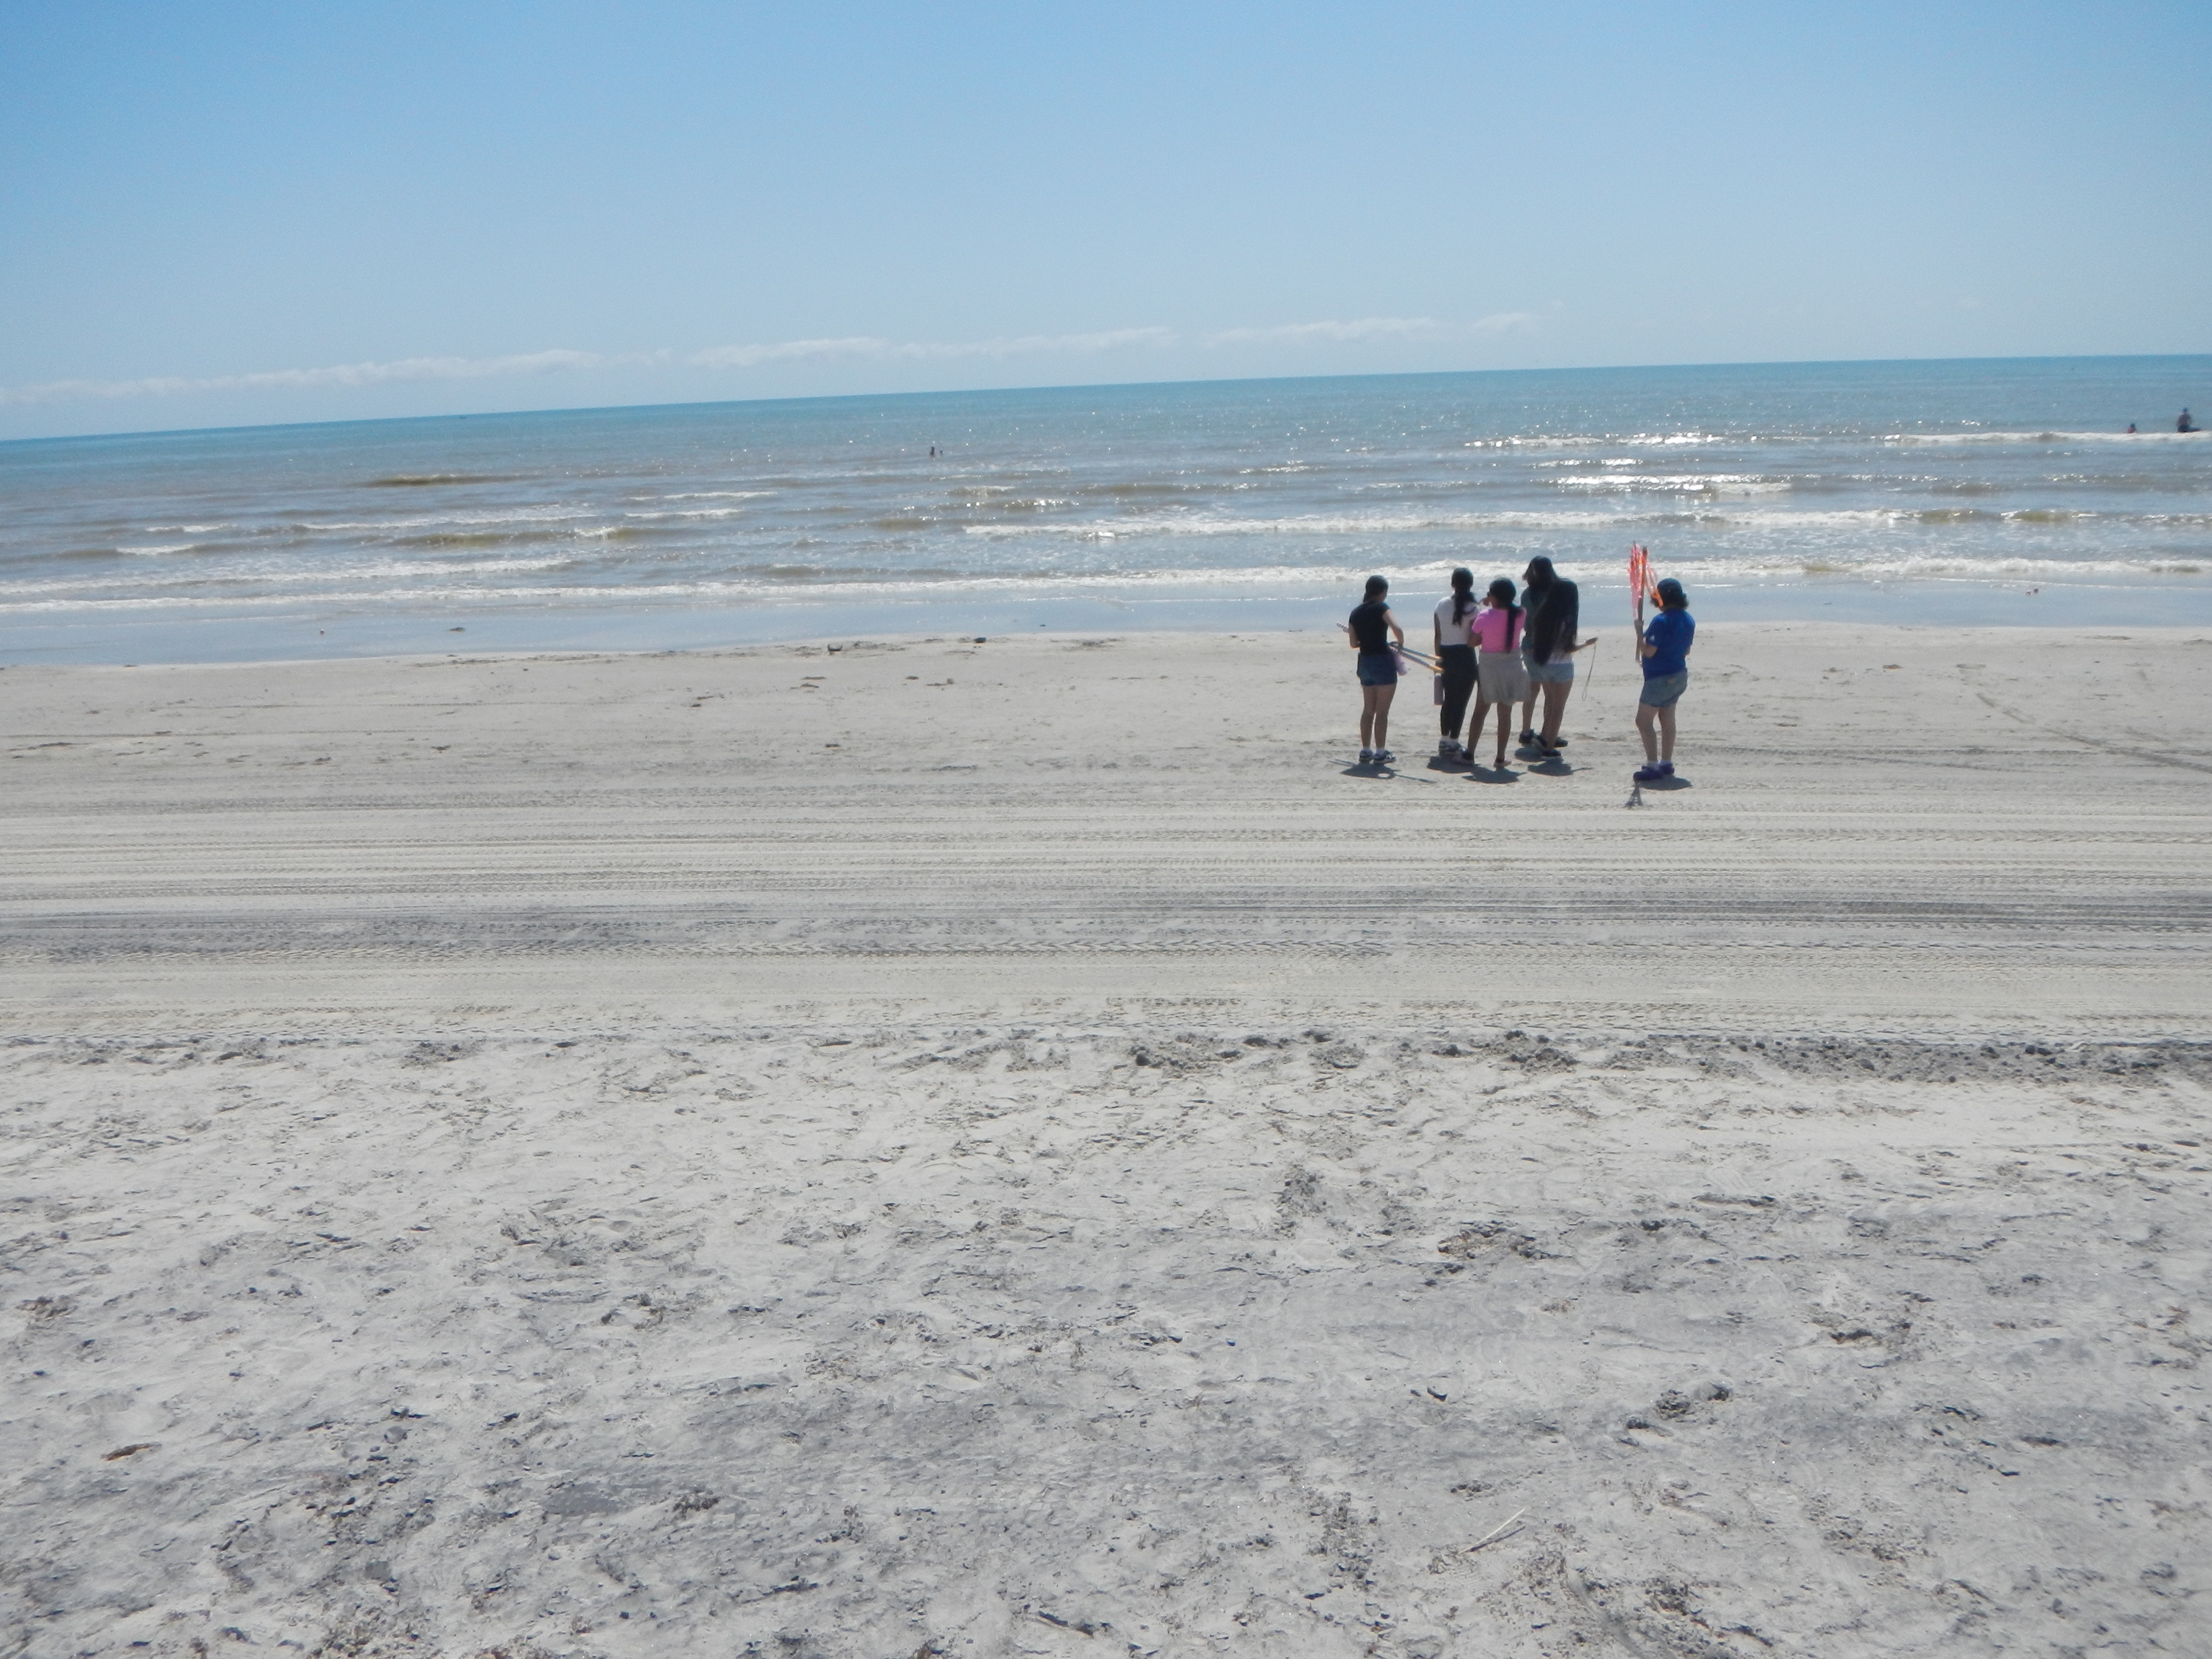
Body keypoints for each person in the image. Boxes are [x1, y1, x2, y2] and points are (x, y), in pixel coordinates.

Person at [1518, 556, 1590, 758]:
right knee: (1553, 701)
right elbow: (1567, 644)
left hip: (1531, 647)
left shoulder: (1527, 595)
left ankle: (1527, 731)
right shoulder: (1555, 601)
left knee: (1533, 692)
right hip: (1550, 651)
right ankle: (1548, 736)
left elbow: (1526, 623)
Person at [1633, 577, 1695, 782]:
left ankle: (1652, 765)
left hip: (1660, 677)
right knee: (1667, 719)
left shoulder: (1661, 621)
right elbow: (1685, 650)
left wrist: (1639, 634)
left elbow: (1649, 651)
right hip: (1679, 674)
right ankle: (1666, 762)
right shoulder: (1688, 619)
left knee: (1643, 721)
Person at [1465, 577, 1530, 770]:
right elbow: (1508, 612)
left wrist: (1485, 609)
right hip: (1512, 665)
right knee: (1505, 714)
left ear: (1493, 596)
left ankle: (1470, 753)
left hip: (1490, 666)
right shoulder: (1520, 614)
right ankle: (1500, 757)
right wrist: (1493, 603)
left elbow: (1472, 642)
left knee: (1480, 712)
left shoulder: (1485, 616)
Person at [1348, 575, 1406, 765]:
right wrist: (1400, 645)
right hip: (1382, 661)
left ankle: (1366, 750)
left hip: (1365, 662)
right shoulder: (1382, 608)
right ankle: (1380, 752)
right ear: (1382, 592)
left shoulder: (1356, 613)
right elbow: (1397, 628)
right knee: (1382, 712)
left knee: (1368, 709)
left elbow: (1353, 643)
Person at [1431, 569, 1480, 761]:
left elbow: (1438, 635)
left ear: (1453, 584)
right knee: (1462, 700)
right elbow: (1474, 639)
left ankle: (1444, 738)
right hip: (1465, 655)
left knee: (1449, 698)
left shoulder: (1441, 605)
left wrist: (1438, 658)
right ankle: (1454, 740)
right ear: (1471, 584)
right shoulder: (1474, 609)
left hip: (1445, 653)